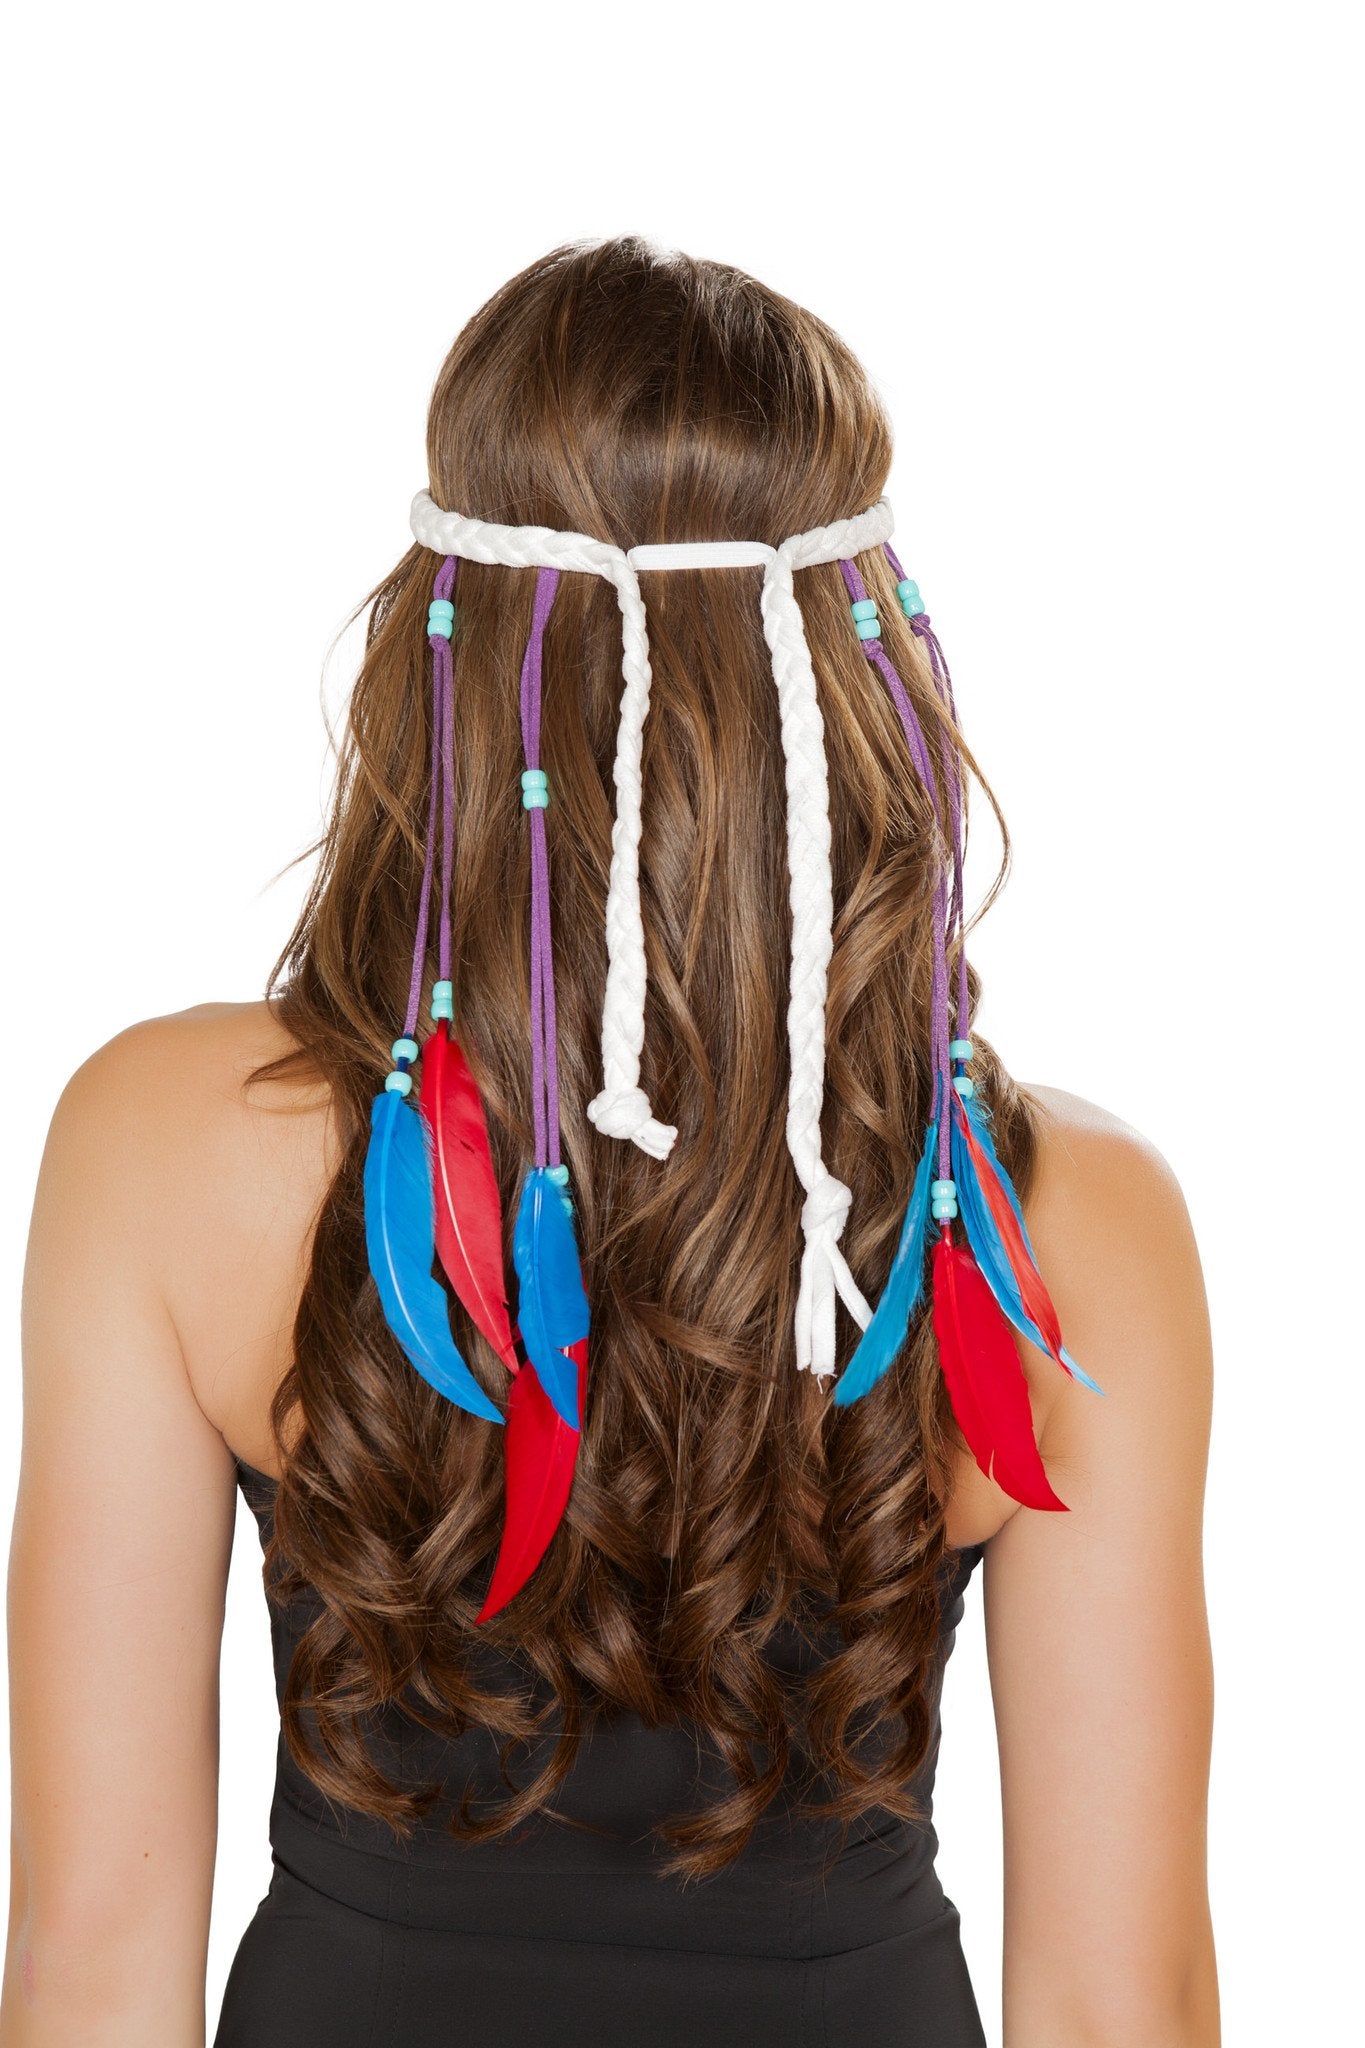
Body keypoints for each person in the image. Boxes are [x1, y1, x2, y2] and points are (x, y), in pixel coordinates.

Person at [5, 237, 1218, 2047]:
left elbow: (92, 1957)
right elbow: (1119, 2005)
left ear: (440, 649)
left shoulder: (167, 1148)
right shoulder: (1071, 1221)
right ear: (859, 671)